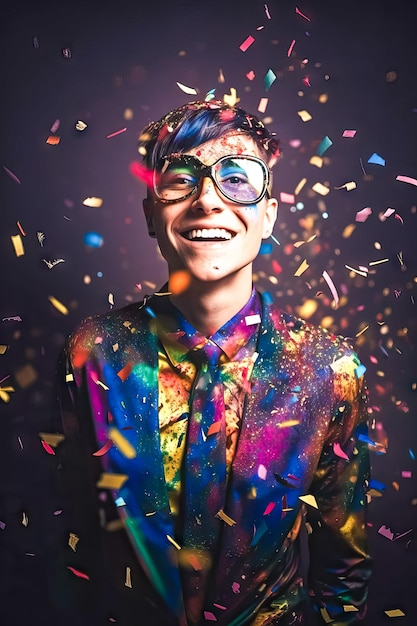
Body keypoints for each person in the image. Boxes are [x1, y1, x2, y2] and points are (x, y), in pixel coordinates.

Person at [56, 99, 372, 626]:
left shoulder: (328, 368)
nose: (208, 200)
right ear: (151, 215)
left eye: (239, 179)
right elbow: (67, 533)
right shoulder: (93, 352)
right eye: (180, 179)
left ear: (269, 215)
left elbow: (344, 570)